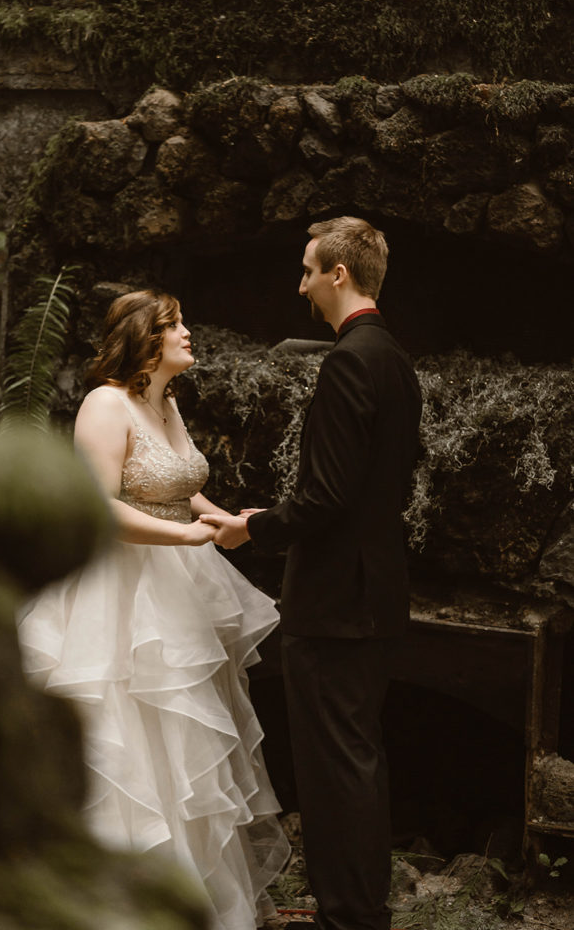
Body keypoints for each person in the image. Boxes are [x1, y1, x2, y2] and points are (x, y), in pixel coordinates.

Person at [17, 290, 290, 930]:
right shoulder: (105, 405)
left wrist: (222, 518)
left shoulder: (163, 401)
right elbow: (98, 507)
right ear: (146, 338)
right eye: (176, 325)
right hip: (118, 594)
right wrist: (185, 536)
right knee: (129, 740)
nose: (189, 334)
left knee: (185, 743)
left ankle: (186, 899)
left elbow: (179, 483)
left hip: (178, 589)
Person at [201, 217, 422, 930]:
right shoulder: (392, 355)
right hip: (375, 589)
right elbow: (370, 487)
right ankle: (355, 909)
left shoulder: (349, 361)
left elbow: (325, 497)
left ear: (338, 274)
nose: (299, 286)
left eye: (305, 270)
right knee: (354, 759)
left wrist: (252, 526)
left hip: (334, 601)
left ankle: (349, 917)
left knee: (336, 771)